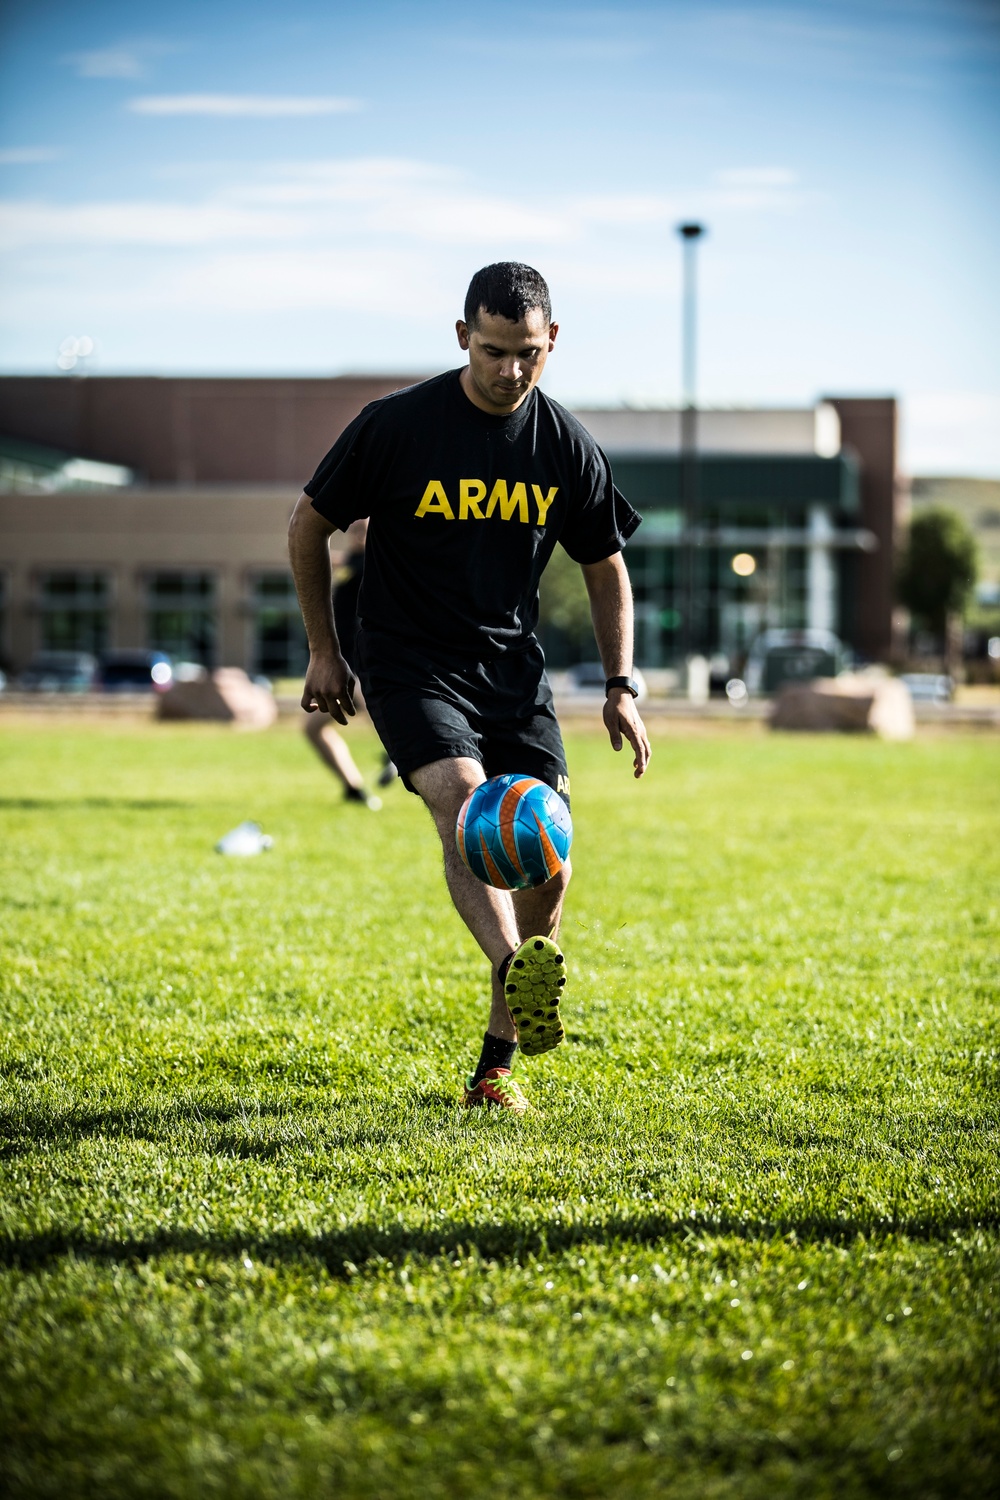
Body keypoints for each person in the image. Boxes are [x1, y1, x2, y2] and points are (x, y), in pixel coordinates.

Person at [288, 261, 650, 1112]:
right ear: (463, 338)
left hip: (511, 672)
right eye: (493, 351)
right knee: (465, 806)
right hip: (410, 661)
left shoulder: (564, 444)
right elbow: (308, 524)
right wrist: (323, 650)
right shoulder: (396, 427)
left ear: (551, 341)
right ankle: (508, 965)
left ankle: (493, 1070)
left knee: (547, 862)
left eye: (528, 353)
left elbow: (607, 569)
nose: (510, 370)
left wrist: (621, 685)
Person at [302, 517, 395, 810]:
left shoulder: (374, 562)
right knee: (314, 729)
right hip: (341, 661)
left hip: (362, 661)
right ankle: (354, 787)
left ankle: (397, 754)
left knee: (381, 717)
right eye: (354, 529)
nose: (357, 535)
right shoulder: (354, 561)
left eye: (364, 530)